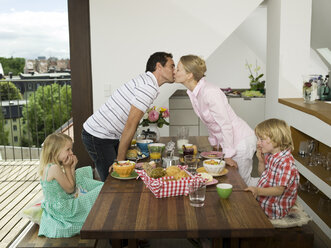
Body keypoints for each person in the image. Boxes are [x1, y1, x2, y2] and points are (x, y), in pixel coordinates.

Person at [82, 52, 175, 181]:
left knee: (121, 176)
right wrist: (121, 162)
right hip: (98, 135)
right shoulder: (148, 87)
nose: (174, 71)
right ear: (159, 66)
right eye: (172, 66)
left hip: (108, 135)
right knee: (114, 180)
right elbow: (131, 123)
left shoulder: (147, 82)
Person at [174, 54, 258, 186]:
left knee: (242, 185)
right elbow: (210, 122)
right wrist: (215, 144)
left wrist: (228, 155)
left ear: (189, 75)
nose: (174, 71)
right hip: (229, 143)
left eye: (178, 69)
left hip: (241, 142)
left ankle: (276, 192)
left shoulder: (209, 92)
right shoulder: (194, 93)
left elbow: (225, 124)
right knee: (233, 184)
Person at [38, 133, 103, 238]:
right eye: (68, 149)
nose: (71, 152)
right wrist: (67, 168)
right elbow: (70, 189)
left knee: (80, 172)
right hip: (64, 209)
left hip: (56, 206)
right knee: (101, 190)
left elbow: (70, 183)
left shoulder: (48, 166)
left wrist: (72, 168)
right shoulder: (54, 168)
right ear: (55, 151)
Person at [245, 118, 299, 219]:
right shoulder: (271, 155)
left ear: (276, 139)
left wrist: (258, 191)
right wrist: (261, 161)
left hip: (274, 209)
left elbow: (279, 190)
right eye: (258, 139)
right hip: (264, 201)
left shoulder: (286, 163)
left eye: (261, 139)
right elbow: (263, 175)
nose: (258, 143)